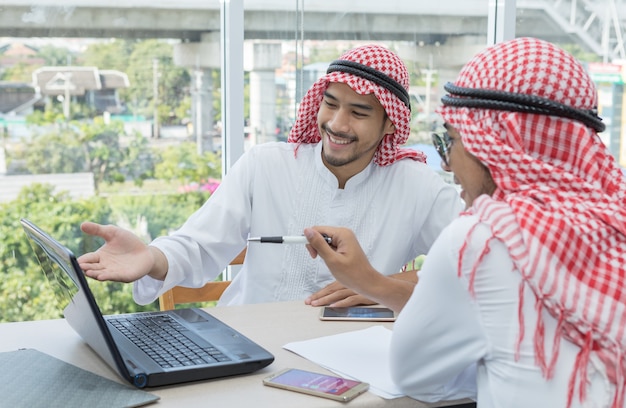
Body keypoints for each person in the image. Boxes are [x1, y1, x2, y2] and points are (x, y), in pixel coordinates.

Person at [304, 37, 626, 407]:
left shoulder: (481, 239)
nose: (445, 162)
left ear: (498, 144)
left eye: (452, 141)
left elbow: (417, 378)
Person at [78, 44, 463, 307]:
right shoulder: (266, 165)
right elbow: (198, 246)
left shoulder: (418, 186)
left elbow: (480, 263)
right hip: (252, 346)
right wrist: (150, 257)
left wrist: (386, 287)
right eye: (330, 104)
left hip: (358, 354)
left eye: (359, 113)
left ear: (389, 127)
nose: (337, 123)